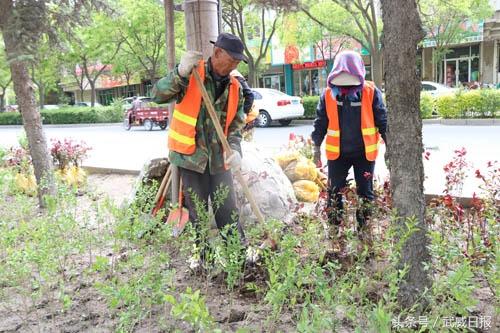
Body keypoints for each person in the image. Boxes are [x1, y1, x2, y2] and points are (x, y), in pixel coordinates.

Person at [152, 32, 247, 259]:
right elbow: (157, 95)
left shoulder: (235, 87)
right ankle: (205, 262)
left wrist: (235, 150)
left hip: (219, 160)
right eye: (231, 59)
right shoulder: (191, 75)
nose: (234, 64)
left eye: (237, 61)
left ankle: (238, 259)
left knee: (227, 210)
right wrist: (179, 72)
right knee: (198, 213)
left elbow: (236, 125)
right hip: (192, 158)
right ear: (216, 53)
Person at [311, 50, 387, 236]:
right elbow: (320, 123)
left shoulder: (370, 92)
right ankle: (335, 231)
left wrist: (389, 148)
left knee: (365, 194)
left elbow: (383, 121)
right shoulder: (328, 95)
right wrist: (315, 149)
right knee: (334, 193)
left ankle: (364, 232)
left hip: (364, 154)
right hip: (338, 154)